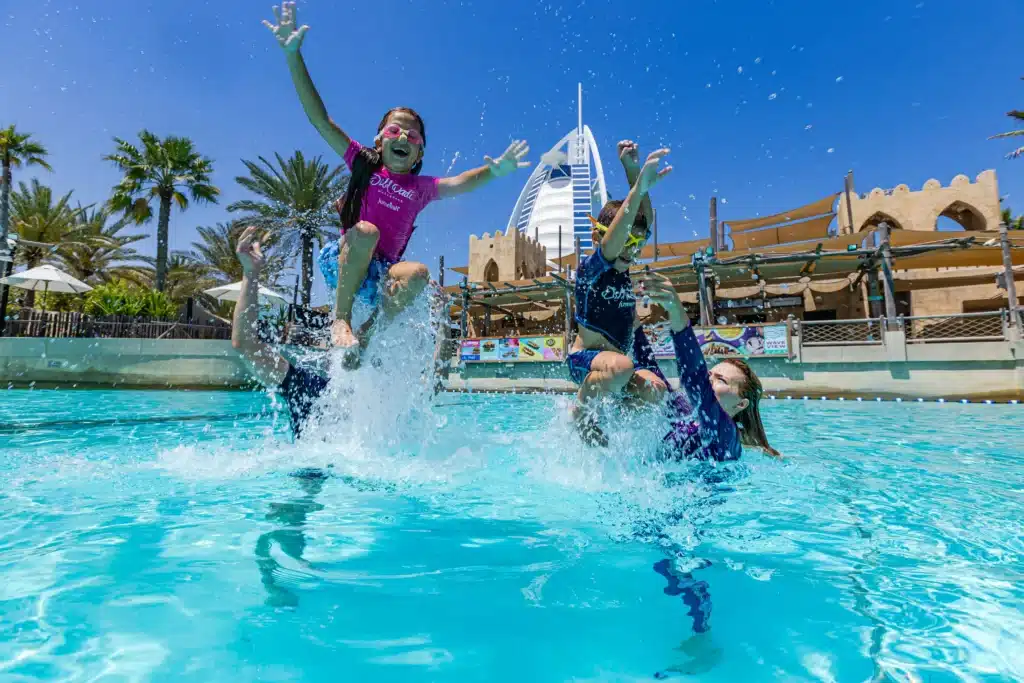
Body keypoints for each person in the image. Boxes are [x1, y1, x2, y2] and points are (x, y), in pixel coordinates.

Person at [263, 3, 531, 362]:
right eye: (395, 129)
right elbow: (320, 120)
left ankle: (368, 334)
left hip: (381, 274)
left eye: (413, 135)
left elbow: (461, 182)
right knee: (367, 231)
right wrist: (294, 57)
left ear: (419, 153)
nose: (403, 135)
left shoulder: (420, 189)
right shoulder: (363, 163)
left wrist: (495, 171)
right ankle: (340, 320)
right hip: (345, 259)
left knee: (417, 274)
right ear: (379, 140)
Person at [566, 142, 672, 444]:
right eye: (625, 240)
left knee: (656, 388)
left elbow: (644, 219)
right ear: (598, 235)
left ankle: (614, 428)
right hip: (584, 362)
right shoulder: (591, 268)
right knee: (622, 365)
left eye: (638, 243)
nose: (632, 249)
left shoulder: (625, 275)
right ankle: (580, 413)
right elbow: (621, 231)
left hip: (615, 369)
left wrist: (633, 171)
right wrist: (637, 187)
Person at [638, 271, 780, 461]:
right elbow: (649, 366)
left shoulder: (726, 435)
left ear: (740, 404)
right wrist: (629, 313)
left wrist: (675, 310)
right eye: (711, 374)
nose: (709, 379)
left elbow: (696, 380)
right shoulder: (684, 414)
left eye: (721, 380)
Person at [231, 226, 331, 439]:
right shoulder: (310, 388)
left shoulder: (395, 396)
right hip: (309, 471)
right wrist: (251, 273)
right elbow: (246, 344)